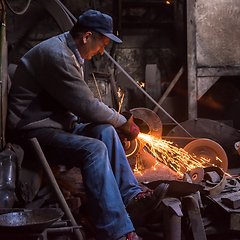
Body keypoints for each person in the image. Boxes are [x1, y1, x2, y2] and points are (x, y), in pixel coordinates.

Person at [6, 9, 169, 240]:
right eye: (101, 44)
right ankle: (116, 231)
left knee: (105, 132)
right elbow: (87, 107)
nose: (102, 51)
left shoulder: (71, 53)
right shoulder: (58, 55)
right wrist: (123, 122)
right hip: (32, 131)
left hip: (57, 126)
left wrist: (115, 124)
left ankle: (131, 199)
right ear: (86, 36)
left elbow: (83, 109)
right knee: (94, 150)